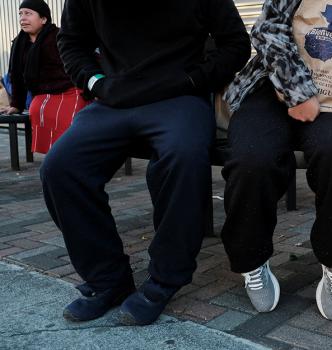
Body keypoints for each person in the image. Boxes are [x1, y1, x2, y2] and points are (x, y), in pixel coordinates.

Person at [40, 0, 251, 326]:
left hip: (180, 96)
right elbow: (71, 41)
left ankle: (167, 276)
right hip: (115, 98)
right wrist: (95, 83)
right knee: (61, 167)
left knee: (182, 158)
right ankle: (108, 279)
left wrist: (194, 80)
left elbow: (236, 43)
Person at [222, 0, 332, 320]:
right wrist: (297, 90)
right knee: (252, 156)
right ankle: (251, 260)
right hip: (273, 81)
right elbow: (267, 28)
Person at [0, 0, 88, 154]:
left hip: (72, 89)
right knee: (36, 108)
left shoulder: (60, 37)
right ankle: (54, 154)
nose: (22, 18)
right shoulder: (19, 43)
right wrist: (16, 104)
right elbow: (16, 76)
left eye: (28, 13)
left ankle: (74, 153)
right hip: (43, 94)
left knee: (71, 116)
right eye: (20, 14)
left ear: (43, 19)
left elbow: (84, 59)